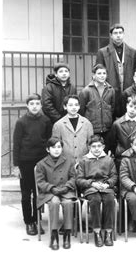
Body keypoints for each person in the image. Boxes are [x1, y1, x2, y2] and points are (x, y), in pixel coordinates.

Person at [13, 93, 52, 236]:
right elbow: (16, 144)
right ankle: (28, 222)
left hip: (41, 162)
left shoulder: (46, 121)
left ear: (41, 105)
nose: (35, 106)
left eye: (37, 103)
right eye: (32, 104)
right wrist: (16, 165)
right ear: (27, 106)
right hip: (25, 162)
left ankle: (37, 220)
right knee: (26, 194)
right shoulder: (21, 122)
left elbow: (49, 142)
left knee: (38, 193)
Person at [35, 137, 76, 250]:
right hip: (50, 192)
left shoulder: (69, 161)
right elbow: (40, 182)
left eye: (59, 147)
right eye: (53, 147)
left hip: (65, 190)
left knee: (68, 203)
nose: (56, 150)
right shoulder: (41, 164)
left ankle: (67, 234)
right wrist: (51, 188)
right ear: (48, 149)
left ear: (62, 148)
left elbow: (73, 177)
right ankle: (54, 235)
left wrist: (67, 187)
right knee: (54, 203)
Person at [77, 135, 118, 247]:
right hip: (91, 187)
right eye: (93, 146)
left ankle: (108, 232)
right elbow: (79, 179)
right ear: (89, 147)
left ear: (103, 146)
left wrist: (107, 184)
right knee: (95, 200)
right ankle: (97, 231)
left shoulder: (109, 160)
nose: (96, 149)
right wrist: (92, 183)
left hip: (106, 187)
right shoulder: (84, 160)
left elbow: (114, 176)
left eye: (99, 146)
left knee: (109, 200)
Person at [96, 24, 136, 118]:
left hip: (128, 89)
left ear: (123, 34)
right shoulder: (102, 52)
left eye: (120, 33)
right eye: (115, 33)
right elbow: (98, 73)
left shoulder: (133, 52)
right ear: (111, 35)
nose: (118, 35)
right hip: (110, 90)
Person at [79, 64, 115, 146]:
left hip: (107, 128)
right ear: (94, 75)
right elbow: (81, 111)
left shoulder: (111, 90)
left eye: (104, 73)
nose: (102, 76)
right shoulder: (86, 91)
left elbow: (112, 108)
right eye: (99, 73)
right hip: (92, 128)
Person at [52, 95, 94, 163]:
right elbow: (55, 145)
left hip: (84, 161)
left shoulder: (87, 123)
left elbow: (91, 143)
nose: (74, 107)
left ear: (79, 106)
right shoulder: (58, 125)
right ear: (65, 107)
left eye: (76, 105)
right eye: (70, 105)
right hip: (65, 162)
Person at [110, 95, 136, 170]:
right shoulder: (117, 124)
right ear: (126, 106)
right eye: (130, 106)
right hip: (121, 158)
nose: (132, 110)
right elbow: (112, 143)